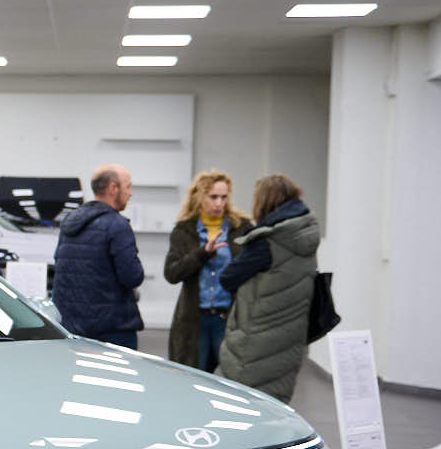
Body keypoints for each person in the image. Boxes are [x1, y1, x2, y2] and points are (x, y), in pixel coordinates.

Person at [216, 174, 321, 403]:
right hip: (290, 336)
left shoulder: (268, 242)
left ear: (264, 201)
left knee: (240, 402)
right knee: (273, 400)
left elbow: (228, 278)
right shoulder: (305, 236)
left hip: (257, 340)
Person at [164, 170, 252, 372]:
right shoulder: (184, 231)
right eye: (213, 197)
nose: (219, 203)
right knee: (194, 377)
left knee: (229, 380)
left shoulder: (241, 228)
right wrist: (202, 253)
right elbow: (172, 273)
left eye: (223, 197)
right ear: (199, 197)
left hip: (229, 319)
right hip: (195, 319)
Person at [52, 164, 143, 348]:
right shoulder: (117, 226)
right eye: (128, 186)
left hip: (73, 327)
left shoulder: (70, 222)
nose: (130, 193)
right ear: (112, 188)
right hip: (112, 329)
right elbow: (132, 276)